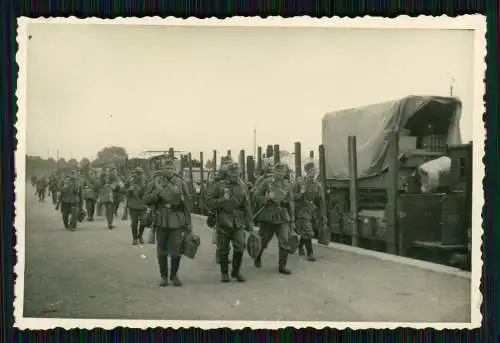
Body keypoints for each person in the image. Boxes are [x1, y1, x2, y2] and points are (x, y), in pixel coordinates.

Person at [143, 157, 193, 287]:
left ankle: (174, 275)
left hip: (177, 220)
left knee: (176, 249)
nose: (169, 170)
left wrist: (188, 222)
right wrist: (156, 195)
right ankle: (164, 276)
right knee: (162, 250)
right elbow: (146, 199)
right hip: (161, 220)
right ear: (162, 169)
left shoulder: (180, 182)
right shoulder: (155, 181)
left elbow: (188, 203)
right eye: (166, 168)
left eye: (171, 168)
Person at [206, 162, 254, 283]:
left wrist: (249, 222)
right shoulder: (219, 185)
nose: (234, 174)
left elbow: (246, 204)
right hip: (223, 220)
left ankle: (236, 271)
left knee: (240, 244)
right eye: (232, 172)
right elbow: (209, 201)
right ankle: (224, 273)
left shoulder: (242, 185)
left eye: (236, 172)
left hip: (237, 220)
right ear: (227, 173)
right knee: (223, 247)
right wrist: (222, 202)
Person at [252, 162, 295, 275]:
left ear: (285, 173)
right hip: (268, 216)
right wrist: (266, 198)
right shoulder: (266, 182)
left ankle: (282, 266)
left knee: (284, 241)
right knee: (263, 240)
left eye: (282, 171)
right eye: (278, 171)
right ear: (274, 172)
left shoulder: (288, 185)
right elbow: (256, 196)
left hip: (282, 216)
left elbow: (291, 203)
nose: (280, 173)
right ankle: (257, 256)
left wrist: (292, 220)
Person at [293, 162, 327, 261]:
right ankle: (310, 253)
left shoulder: (318, 185)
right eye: (312, 170)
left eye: (315, 170)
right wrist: (300, 194)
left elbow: (322, 202)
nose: (314, 172)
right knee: (308, 231)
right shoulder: (299, 183)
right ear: (307, 171)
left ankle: (300, 245)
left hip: (313, 212)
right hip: (302, 211)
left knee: (310, 232)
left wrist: (324, 217)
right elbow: (292, 197)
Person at [127, 167, 148, 245]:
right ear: (135, 174)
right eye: (137, 173)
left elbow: (149, 192)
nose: (139, 175)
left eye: (140, 173)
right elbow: (124, 191)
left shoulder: (146, 182)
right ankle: (134, 238)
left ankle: (140, 236)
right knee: (134, 223)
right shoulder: (130, 181)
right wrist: (129, 190)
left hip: (143, 206)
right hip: (133, 206)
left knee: (144, 222)